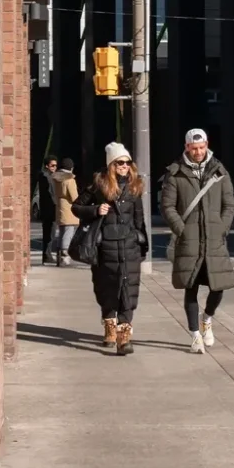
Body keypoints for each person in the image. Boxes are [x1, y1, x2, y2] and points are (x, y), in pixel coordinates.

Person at [160, 128, 234, 353]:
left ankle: (207, 318)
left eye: (202, 148)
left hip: (214, 239)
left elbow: (229, 204)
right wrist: (181, 229)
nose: (198, 152)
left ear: (207, 145)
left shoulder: (220, 172)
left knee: (218, 286)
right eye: (194, 149)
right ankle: (195, 335)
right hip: (189, 240)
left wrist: (222, 227)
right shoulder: (175, 173)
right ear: (186, 147)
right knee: (190, 287)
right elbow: (167, 207)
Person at [72, 142, 147, 356]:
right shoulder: (98, 185)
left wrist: (143, 245)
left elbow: (139, 219)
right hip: (104, 247)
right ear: (111, 165)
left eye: (127, 162)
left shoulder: (134, 186)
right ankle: (109, 326)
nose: (124, 166)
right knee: (107, 289)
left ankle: (124, 337)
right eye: (120, 163)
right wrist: (96, 209)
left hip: (129, 246)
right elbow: (76, 207)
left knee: (129, 290)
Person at [51, 157, 79, 266]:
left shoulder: (56, 179)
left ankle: (59, 254)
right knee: (68, 231)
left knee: (62, 231)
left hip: (60, 207)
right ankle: (64, 255)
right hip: (69, 209)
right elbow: (74, 197)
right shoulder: (70, 180)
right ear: (71, 168)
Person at [37, 155, 58, 265]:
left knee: (48, 233)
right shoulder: (46, 177)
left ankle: (46, 255)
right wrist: (56, 204)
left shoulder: (46, 176)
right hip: (49, 209)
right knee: (50, 233)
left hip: (47, 209)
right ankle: (47, 255)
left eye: (55, 166)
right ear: (47, 166)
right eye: (52, 165)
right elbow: (51, 194)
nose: (54, 168)